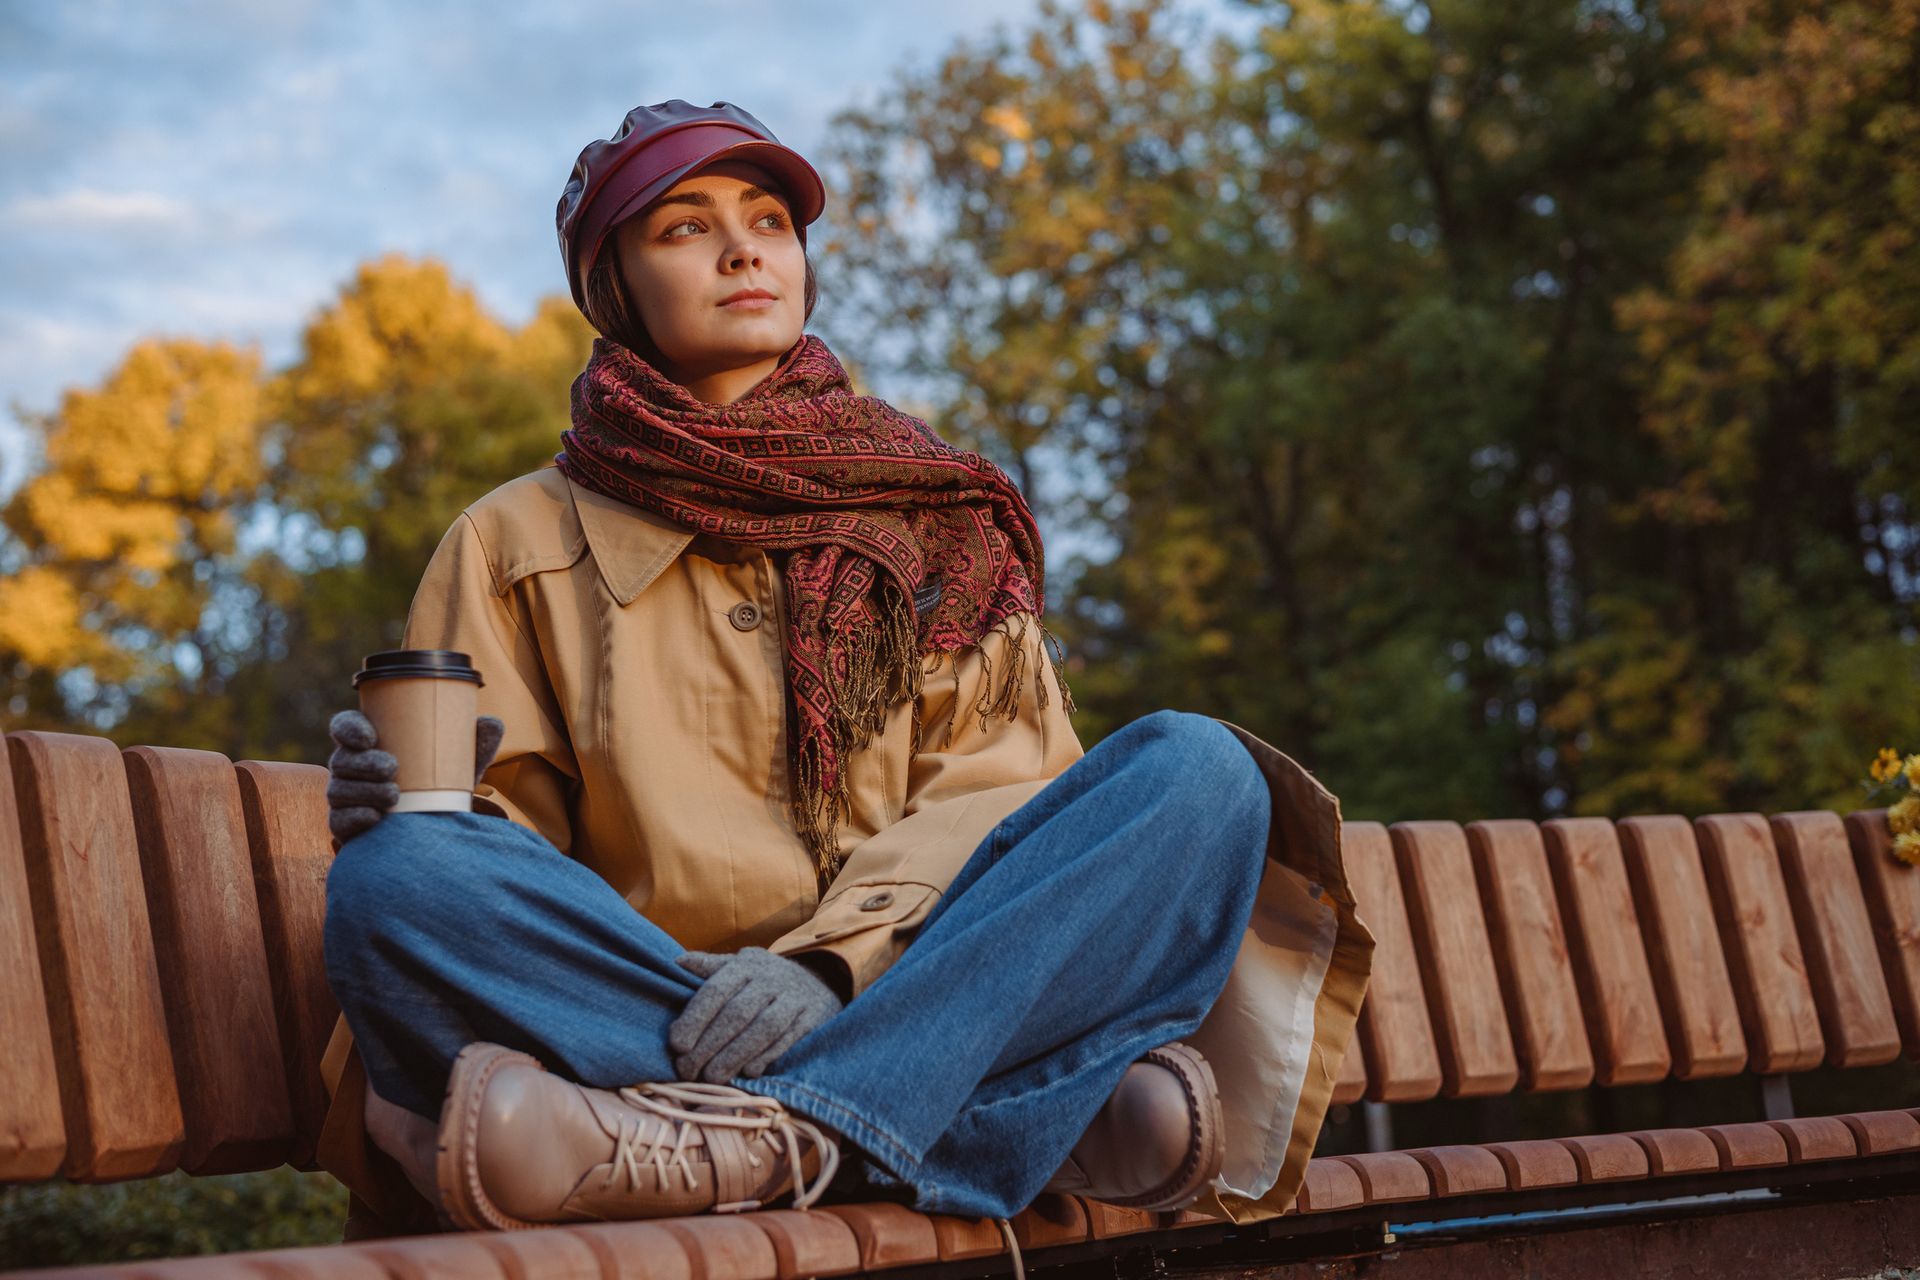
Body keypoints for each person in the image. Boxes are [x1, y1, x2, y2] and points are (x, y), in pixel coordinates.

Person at [312, 99, 1371, 1243]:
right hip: (663, 995)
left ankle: (750, 1139)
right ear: (611, 285)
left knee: (1204, 776)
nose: (742, 249)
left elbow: (1005, 798)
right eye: (683, 227)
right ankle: (971, 1116)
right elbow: (502, 857)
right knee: (394, 883)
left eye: (770, 219)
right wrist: (419, 815)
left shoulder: (939, 517)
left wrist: (832, 969)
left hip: (911, 970)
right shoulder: (508, 541)